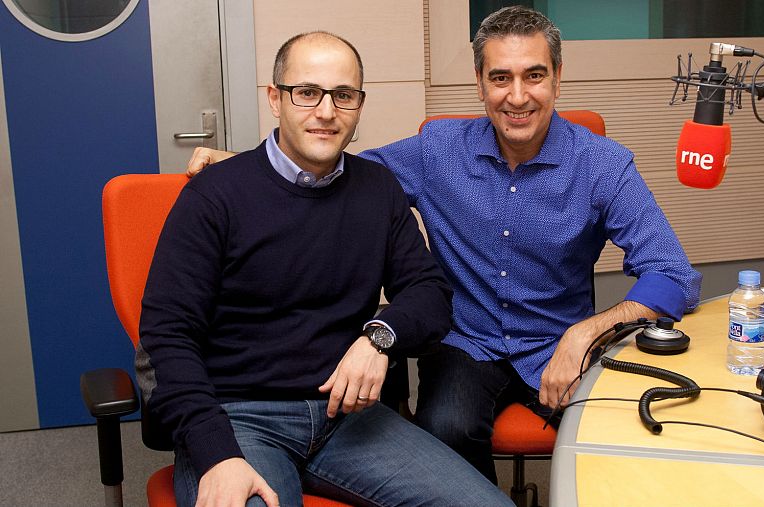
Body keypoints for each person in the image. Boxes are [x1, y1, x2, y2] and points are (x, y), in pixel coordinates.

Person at [186, 7, 702, 483]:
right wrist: (245, 165)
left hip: (561, 340)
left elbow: (674, 275)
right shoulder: (437, 151)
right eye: (500, 77)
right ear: (479, 83)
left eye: (534, 76)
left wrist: (584, 335)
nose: (517, 96)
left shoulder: (603, 165)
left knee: (628, 436)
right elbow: (339, 171)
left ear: (558, 79)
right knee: (444, 430)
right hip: (466, 342)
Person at [140, 31, 515, 507]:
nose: (326, 111)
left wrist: (379, 337)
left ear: (359, 104)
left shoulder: (378, 190)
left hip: (348, 417)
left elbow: (429, 293)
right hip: (236, 419)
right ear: (275, 99)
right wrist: (215, 454)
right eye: (307, 92)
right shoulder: (214, 197)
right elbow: (167, 336)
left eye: (343, 95)